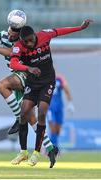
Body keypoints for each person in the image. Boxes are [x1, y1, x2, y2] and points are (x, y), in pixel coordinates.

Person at [0, 10, 58, 168]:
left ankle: (17, 119)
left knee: (1, 85)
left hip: (25, 75)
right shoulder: (2, 35)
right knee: (30, 118)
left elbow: (11, 52)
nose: (10, 34)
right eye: (10, 29)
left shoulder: (23, 42)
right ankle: (50, 148)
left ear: (20, 34)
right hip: (17, 76)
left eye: (14, 32)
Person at [9, 20, 92, 167]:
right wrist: (28, 68)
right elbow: (13, 63)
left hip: (47, 82)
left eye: (30, 40)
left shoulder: (44, 36)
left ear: (34, 36)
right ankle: (23, 152)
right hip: (32, 83)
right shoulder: (18, 46)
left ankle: (36, 153)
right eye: (25, 42)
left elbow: (61, 30)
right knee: (24, 112)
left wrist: (80, 27)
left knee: (41, 113)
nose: (28, 44)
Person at [46, 73, 75, 149]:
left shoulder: (59, 78)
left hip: (59, 107)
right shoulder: (44, 79)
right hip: (49, 108)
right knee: (53, 128)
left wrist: (70, 103)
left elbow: (66, 89)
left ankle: (51, 147)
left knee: (58, 130)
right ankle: (53, 149)